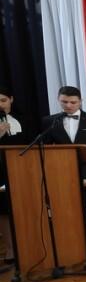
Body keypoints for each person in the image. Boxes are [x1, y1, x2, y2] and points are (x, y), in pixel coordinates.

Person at [41, 86, 86, 253]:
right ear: (58, 100)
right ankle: (76, 240)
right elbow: (44, 146)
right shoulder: (50, 121)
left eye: (73, 102)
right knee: (70, 208)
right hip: (63, 171)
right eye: (64, 102)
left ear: (80, 101)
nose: (69, 106)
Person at [0, 87, 26, 261]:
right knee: (4, 211)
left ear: (11, 99)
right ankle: (10, 250)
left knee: (24, 208)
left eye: (3, 100)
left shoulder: (24, 119)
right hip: (0, 172)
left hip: (22, 169)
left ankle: (28, 245)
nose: (0, 104)